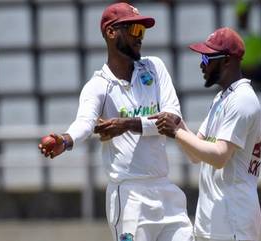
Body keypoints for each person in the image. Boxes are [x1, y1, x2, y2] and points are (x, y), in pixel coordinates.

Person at [38, 3, 194, 241]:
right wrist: (66, 140)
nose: (140, 38)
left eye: (143, 32)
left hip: (165, 190)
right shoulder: (98, 85)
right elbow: (85, 122)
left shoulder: (154, 67)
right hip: (129, 196)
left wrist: (127, 124)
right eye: (134, 31)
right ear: (111, 32)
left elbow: (172, 119)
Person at [150, 27, 261, 241]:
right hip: (212, 221)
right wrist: (177, 122)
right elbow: (195, 154)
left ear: (227, 61)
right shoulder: (222, 98)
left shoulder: (242, 99)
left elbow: (219, 157)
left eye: (207, 57)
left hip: (233, 220)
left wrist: (176, 132)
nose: (202, 64)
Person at [236, 0, 261, 97]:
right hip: (241, 69)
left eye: (245, 15)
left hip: (254, 68)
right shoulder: (235, 34)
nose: (244, 18)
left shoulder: (257, 34)